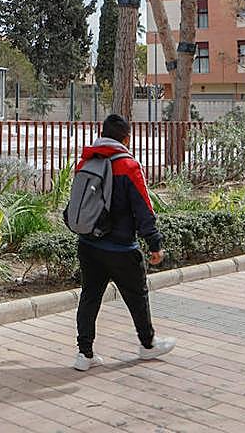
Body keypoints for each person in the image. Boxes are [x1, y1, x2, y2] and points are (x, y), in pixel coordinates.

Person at [72, 113, 175, 371]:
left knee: (90, 298)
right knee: (137, 297)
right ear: (126, 138)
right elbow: (143, 207)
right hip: (120, 249)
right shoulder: (128, 166)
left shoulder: (86, 161)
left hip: (88, 245)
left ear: (103, 134)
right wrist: (154, 244)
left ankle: (84, 354)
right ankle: (147, 344)